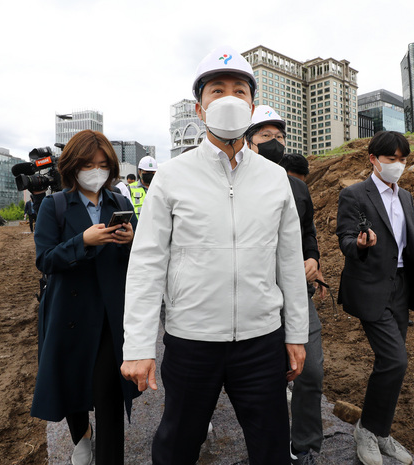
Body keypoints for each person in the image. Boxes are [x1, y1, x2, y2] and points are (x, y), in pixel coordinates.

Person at [120, 46, 308, 465]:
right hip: (192, 340)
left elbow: (289, 264)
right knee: (176, 445)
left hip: (261, 341)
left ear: (252, 105)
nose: (228, 98)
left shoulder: (275, 178)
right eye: (217, 90)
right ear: (199, 107)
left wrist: (294, 334)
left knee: (272, 445)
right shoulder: (171, 178)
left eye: (239, 91)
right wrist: (138, 346)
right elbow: (147, 265)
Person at [336, 131, 414, 465]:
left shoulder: (406, 197)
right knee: (396, 360)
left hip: (401, 287)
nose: (398, 165)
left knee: (391, 364)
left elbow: (413, 247)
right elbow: (344, 238)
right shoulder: (354, 194)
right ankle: (368, 430)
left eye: (403, 159)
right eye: (391, 159)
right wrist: (359, 245)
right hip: (370, 287)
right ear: (373, 159)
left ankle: (379, 431)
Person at [31, 129, 140, 465]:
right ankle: (82, 434)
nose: (96, 170)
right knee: (72, 382)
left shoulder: (119, 202)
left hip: (110, 313)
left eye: (103, 164)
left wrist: (132, 240)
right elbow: (45, 259)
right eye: (89, 164)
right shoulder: (55, 205)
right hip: (69, 312)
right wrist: (84, 241)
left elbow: (139, 258)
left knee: (108, 393)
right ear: (73, 166)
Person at [246, 105, 325, 465]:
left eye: (280, 136)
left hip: (296, 293)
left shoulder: (297, 188)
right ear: (248, 142)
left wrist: (313, 259)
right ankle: (268, 443)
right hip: (255, 295)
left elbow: (308, 232)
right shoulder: (238, 186)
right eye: (266, 136)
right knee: (263, 377)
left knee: (310, 370)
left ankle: (304, 443)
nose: (276, 143)